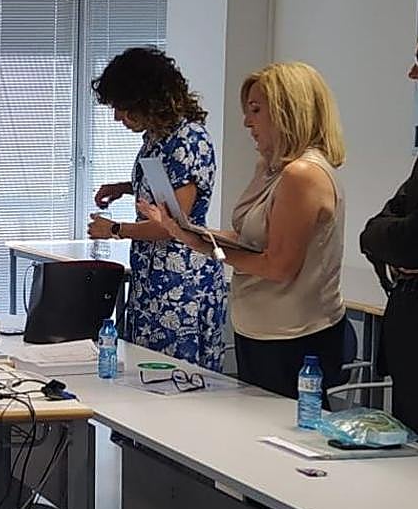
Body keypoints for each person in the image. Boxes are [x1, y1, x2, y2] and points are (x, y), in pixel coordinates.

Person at [142, 62, 349, 400]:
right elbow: (249, 241)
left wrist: (204, 245)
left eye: (256, 110)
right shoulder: (270, 168)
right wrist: (186, 232)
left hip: (293, 335)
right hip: (259, 328)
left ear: (287, 111)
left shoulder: (303, 175)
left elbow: (278, 266)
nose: (246, 122)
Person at [87, 47, 227, 372]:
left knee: (174, 380)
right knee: (143, 375)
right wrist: (123, 188)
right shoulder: (158, 137)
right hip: (153, 279)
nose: (117, 117)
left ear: (146, 100)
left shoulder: (188, 141)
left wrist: (115, 230)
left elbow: (172, 224)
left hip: (182, 286)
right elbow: (164, 189)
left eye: (122, 107)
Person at [360, 6, 418, 454]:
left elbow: (416, 239)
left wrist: (399, 243)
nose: (412, 72)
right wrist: (394, 243)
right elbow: (377, 228)